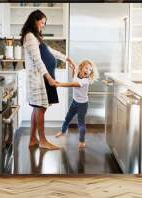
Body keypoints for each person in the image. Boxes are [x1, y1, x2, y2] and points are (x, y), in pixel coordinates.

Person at [21, 10, 76, 150]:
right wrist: (50, 78)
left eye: (45, 23)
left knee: (37, 108)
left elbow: (49, 51)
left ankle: (33, 139)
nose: (43, 26)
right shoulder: (29, 37)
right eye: (42, 22)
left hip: (42, 79)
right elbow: (38, 60)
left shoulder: (35, 36)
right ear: (34, 20)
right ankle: (43, 141)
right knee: (41, 108)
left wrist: (65, 58)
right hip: (38, 79)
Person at [55, 60, 97, 148]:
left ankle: (82, 141)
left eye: (90, 70)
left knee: (80, 123)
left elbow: (73, 84)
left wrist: (60, 84)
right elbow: (74, 77)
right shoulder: (78, 73)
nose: (88, 71)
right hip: (74, 102)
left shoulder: (86, 80)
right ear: (81, 68)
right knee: (67, 118)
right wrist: (72, 67)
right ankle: (62, 131)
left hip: (83, 105)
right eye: (86, 68)